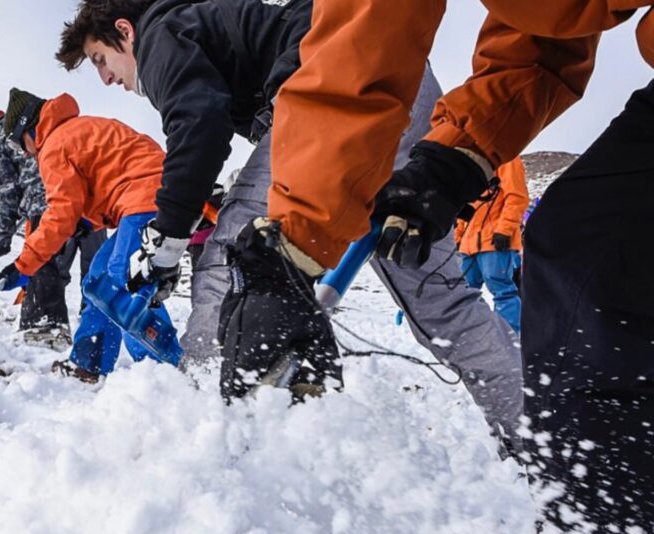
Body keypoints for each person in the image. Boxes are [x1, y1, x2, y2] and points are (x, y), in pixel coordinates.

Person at [248, 0, 653, 534]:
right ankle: (602, 533)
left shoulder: (174, 40)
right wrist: (453, 159)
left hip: (494, 240)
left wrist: (294, 245)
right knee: (583, 255)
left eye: (102, 61)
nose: (106, 79)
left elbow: (364, 51)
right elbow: (546, 28)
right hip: (475, 225)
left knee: (588, 267)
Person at [56, 0, 523, 439]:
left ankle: (201, 411)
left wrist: (170, 237)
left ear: (124, 31)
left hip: (344, 84)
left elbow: (199, 125)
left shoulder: (160, 35)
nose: (105, 78)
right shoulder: (214, 21)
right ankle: (539, 438)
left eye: (100, 59)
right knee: (441, 304)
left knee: (234, 246)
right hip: (401, 77)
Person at [0, 88, 179, 383]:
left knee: (124, 285)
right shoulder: (73, 130)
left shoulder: (54, 145)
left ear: (27, 129)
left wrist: (23, 266)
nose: (25, 153)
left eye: (19, 146)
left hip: (145, 200)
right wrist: (87, 223)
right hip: (145, 198)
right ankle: (88, 364)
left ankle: (166, 372)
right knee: (98, 280)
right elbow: (103, 180)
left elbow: (61, 212)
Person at [0, 110, 106, 349]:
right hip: (89, 202)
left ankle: (44, 325)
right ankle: (94, 328)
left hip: (48, 202)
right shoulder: (32, 128)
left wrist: (0, 240)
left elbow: (8, 191)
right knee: (96, 268)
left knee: (44, 263)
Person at [454, 157, 529, 333]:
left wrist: (505, 230)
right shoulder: (478, 164)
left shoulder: (509, 160)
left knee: (502, 291)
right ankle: (479, 331)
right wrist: (458, 237)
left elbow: (517, 197)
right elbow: (466, 209)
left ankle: (511, 337)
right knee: (464, 292)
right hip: (468, 245)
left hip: (494, 242)